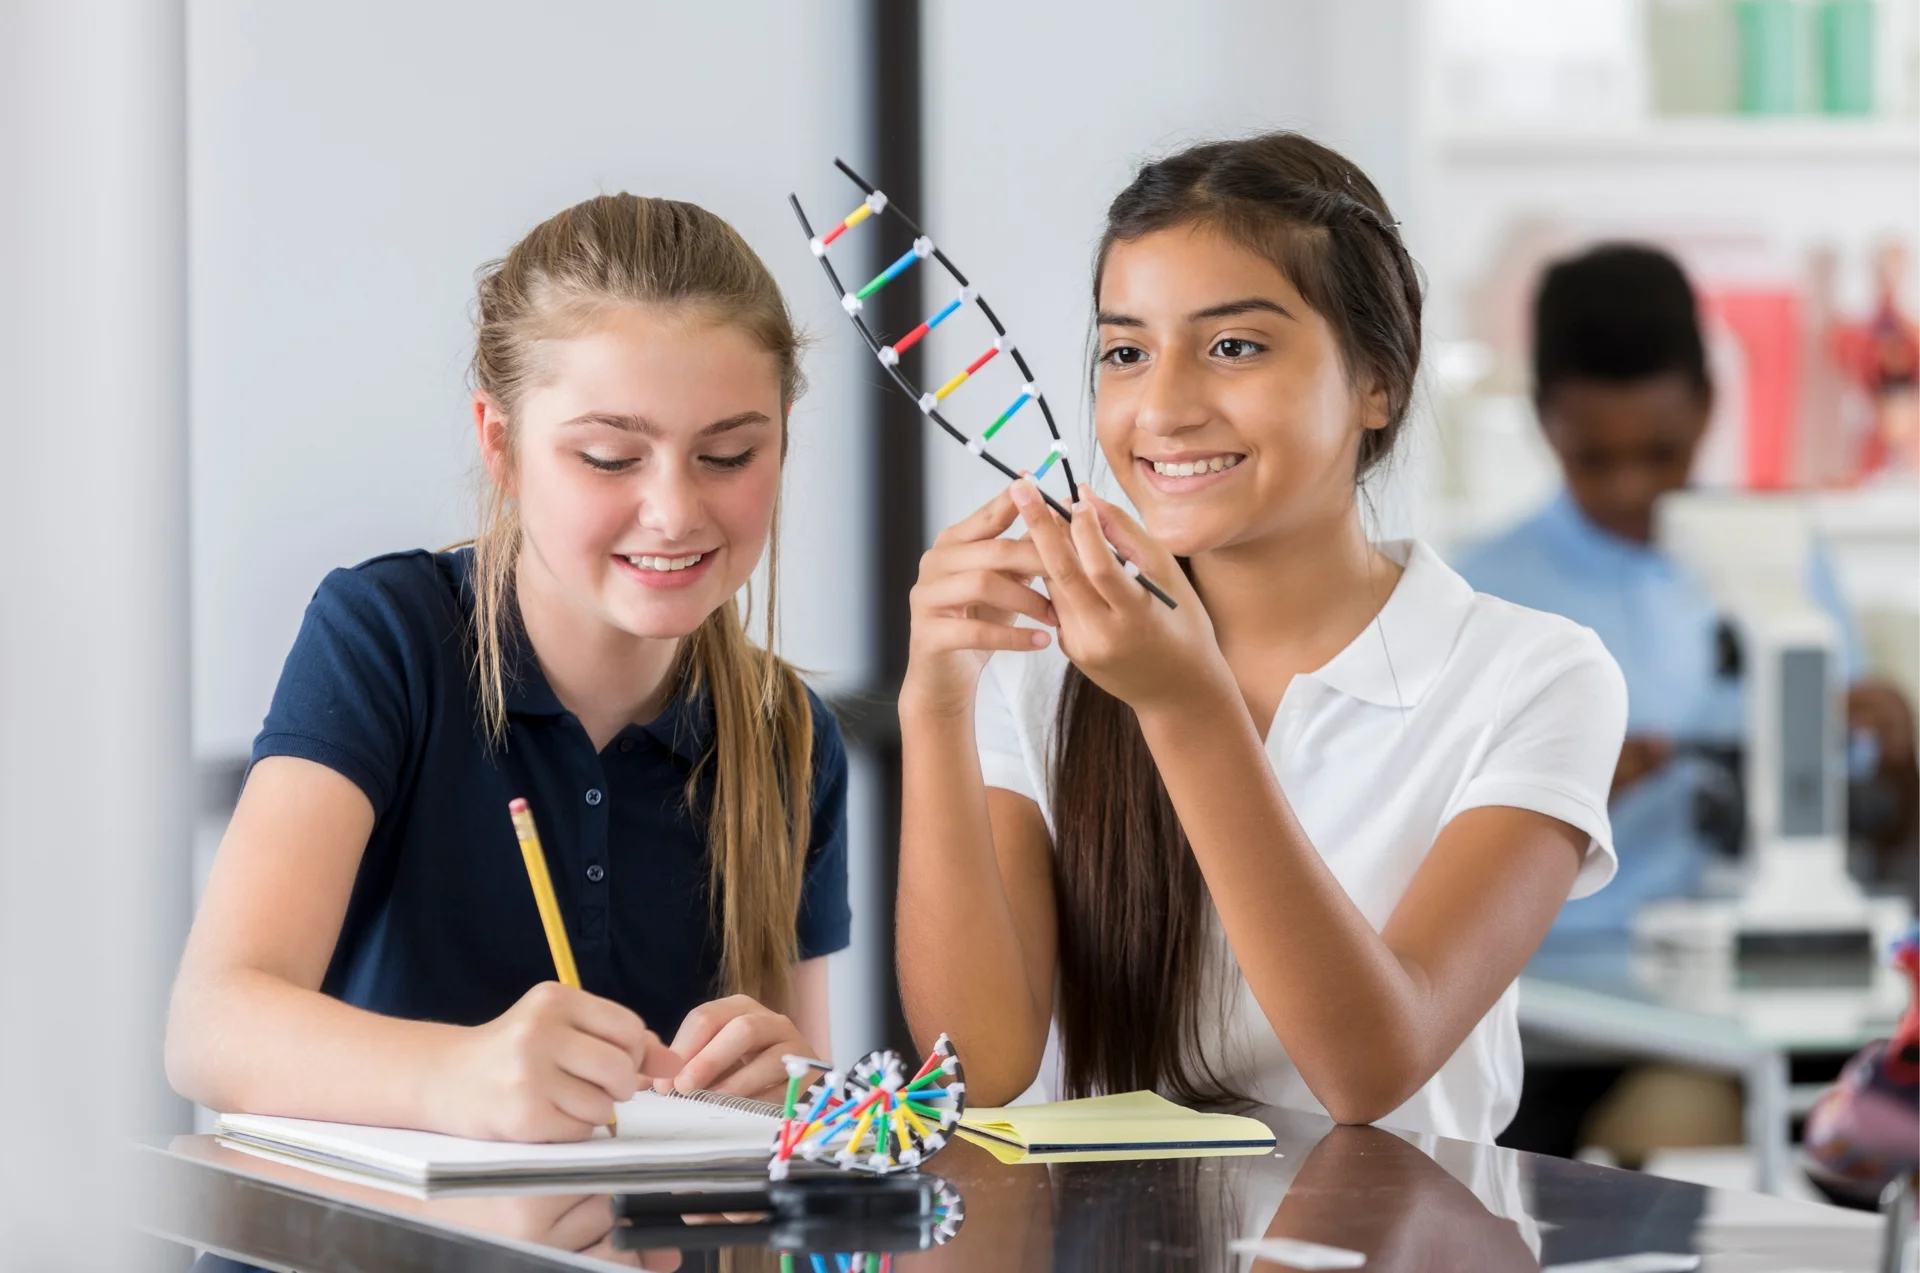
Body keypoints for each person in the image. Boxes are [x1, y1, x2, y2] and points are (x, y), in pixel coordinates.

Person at [894, 132, 1628, 1145]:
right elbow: (976, 1068)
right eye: (1125, 352)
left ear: (1380, 382)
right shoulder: (1044, 667)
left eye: (1235, 345)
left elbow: (1369, 1068)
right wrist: (934, 703)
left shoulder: (1531, 676)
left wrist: (1184, 702)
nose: (1164, 407)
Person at [166, 194, 850, 1146]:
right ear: (500, 443)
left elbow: (798, 1111)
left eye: (729, 454)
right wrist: (459, 1075)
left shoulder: (788, 732)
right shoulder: (389, 637)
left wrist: (785, 1089)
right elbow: (211, 1025)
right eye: (611, 457)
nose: (675, 511)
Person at [1457, 242, 1917, 1160]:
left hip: (1749, 989)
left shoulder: (1782, 559)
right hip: (1548, 1014)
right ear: (1545, 421)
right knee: (1693, 1132)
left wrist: (1899, 755)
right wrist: (1559, 791)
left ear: (1709, 405)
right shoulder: (1476, 591)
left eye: (1661, 453)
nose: (1632, 488)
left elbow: (1875, 828)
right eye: (1596, 459)